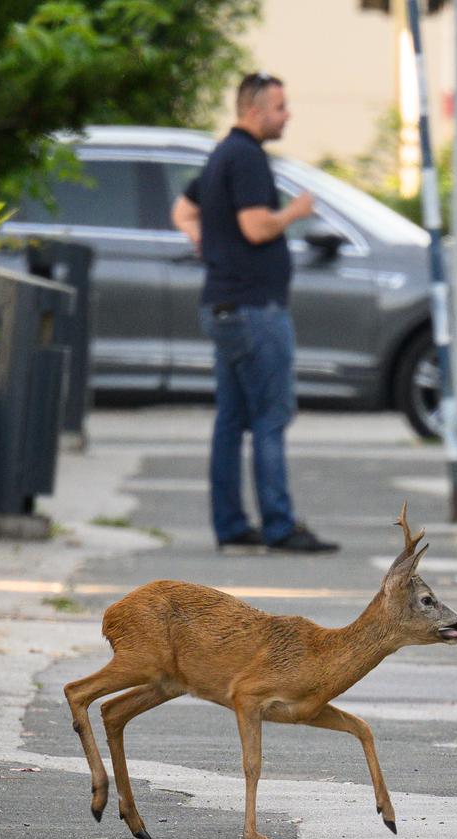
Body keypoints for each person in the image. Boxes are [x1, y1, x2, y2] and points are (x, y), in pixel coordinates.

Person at [171, 72, 338, 554]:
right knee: (270, 416)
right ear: (254, 110)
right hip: (252, 309)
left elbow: (182, 211)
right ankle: (280, 526)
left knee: (231, 419)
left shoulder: (222, 153)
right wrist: (294, 211)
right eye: (281, 108)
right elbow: (256, 226)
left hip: (224, 304)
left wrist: (206, 241)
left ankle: (230, 527)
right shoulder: (246, 157)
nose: (288, 116)